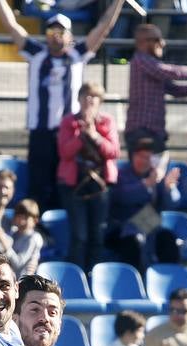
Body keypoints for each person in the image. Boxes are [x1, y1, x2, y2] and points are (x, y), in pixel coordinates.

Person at [0, 0, 126, 211]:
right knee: (37, 186)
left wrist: (118, 2)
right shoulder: (36, 53)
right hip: (41, 132)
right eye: (51, 31)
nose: (56, 36)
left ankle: (60, 229)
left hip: (69, 134)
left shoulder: (78, 55)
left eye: (61, 31)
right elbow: (11, 25)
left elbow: (103, 27)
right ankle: (36, 229)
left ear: (70, 35)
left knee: (65, 185)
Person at [57, 81, 120, 271]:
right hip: (74, 185)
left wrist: (94, 136)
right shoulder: (69, 121)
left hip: (100, 185)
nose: (90, 101)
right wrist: (81, 136)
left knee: (97, 235)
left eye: (94, 97)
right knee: (80, 235)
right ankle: (76, 277)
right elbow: (64, 152)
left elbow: (113, 152)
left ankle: (94, 276)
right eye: (86, 96)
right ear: (79, 99)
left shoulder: (107, 121)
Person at [124, 23, 187, 155]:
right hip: (142, 131)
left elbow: (176, 90)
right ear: (144, 42)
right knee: (147, 172)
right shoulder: (141, 60)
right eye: (157, 40)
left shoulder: (150, 66)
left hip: (155, 131)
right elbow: (172, 72)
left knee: (155, 171)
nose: (162, 43)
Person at [107, 138, 181, 272]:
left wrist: (169, 188)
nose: (144, 161)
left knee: (168, 239)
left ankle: (168, 281)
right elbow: (122, 196)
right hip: (123, 229)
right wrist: (146, 184)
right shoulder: (121, 173)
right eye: (141, 156)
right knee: (133, 242)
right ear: (133, 156)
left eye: (148, 158)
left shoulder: (157, 176)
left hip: (150, 229)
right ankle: (133, 282)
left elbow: (171, 204)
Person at [0, 198, 44, 279]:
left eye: (26, 218)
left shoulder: (33, 238)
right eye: (19, 217)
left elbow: (18, 264)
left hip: (23, 282)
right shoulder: (14, 233)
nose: (22, 221)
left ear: (35, 220)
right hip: (9, 278)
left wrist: (6, 246)